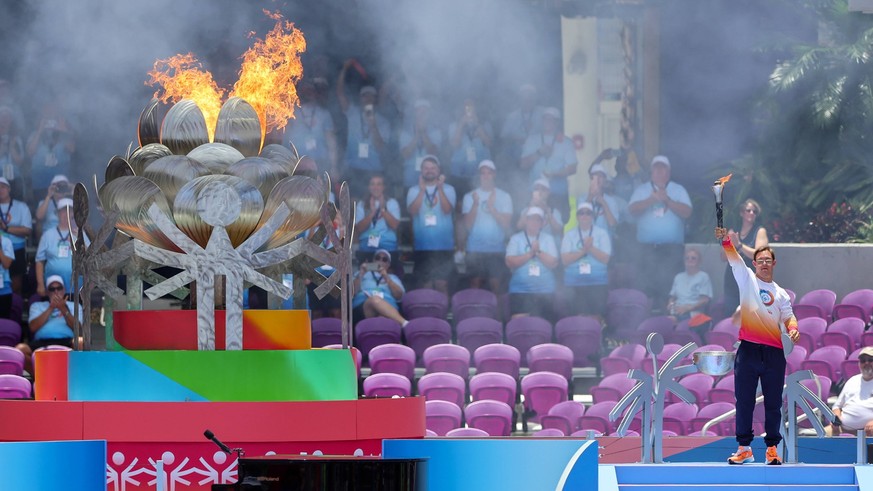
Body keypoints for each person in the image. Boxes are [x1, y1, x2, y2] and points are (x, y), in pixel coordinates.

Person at [716, 226, 799, 466]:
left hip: (773, 353)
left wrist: (793, 329)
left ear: (774, 264)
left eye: (768, 261)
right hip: (749, 350)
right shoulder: (747, 279)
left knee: (773, 403)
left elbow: (789, 316)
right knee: (744, 401)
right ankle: (744, 448)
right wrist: (726, 241)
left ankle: (772, 449)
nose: (764, 264)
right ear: (753, 264)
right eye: (760, 260)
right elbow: (733, 259)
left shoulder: (782, 294)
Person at [628, 156, 692, 309]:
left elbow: (687, 212)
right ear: (651, 172)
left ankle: (669, 322)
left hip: (671, 251)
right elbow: (632, 210)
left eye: (662, 168)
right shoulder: (642, 190)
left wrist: (667, 200)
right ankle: (645, 323)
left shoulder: (678, 189)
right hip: (646, 250)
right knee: (645, 288)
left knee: (670, 289)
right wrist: (651, 199)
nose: (659, 172)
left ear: (668, 172)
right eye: (656, 168)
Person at [337, 61, 391, 196]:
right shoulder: (353, 114)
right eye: (365, 96)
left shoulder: (383, 122)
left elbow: (380, 147)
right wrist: (344, 69)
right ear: (360, 99)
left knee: (371, 205)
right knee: (351, 206)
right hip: (353, 168)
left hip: (373, 171)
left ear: (375, 100)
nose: (367, 99)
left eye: (371, 96)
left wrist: (373, 125)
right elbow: (340, 94)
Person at [406, 155, 456, 294]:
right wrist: (422, 190)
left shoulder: (449, 189)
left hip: (444, 246)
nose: (429, 170)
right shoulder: (413, 190)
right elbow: (413, 211)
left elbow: (447, 210)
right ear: (421, 170)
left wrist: (440, 189)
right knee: (425, 284)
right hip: (423, 246)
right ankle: (426, 315)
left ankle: (442, 315)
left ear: (439, 170)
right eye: (426, 168)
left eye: (433, 168)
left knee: (442, 284)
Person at [462, 160, 513, 292]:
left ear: (494, 175)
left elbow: (506, 225)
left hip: (496, 250)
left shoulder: (505, 196)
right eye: (482, 173)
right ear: (479, 176)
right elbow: (467, 226)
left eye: (489, 173)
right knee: (475, 285)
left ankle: (497, 313)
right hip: (474, 249)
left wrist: (492, 208)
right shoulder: (469, 197)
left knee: (496, 287)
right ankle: (475, 313)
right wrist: (475, 204)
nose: (485, 176)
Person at [15, 275, 83, 373]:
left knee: (81, 342)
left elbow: (78, 328)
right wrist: (51, 308)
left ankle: (71, 375)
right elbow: (33, 327)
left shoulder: (74, 306)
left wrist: (63, 309)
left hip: (66, 340)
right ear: (47, 292)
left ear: (64, 290)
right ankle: (39, 374)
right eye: (52, 289)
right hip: (42, 341)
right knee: (20, 350)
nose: (56, 292)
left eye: (59, 288)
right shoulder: (37, 306)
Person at [520, 107, 577, 221]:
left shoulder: (566, 142)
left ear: (557, 122)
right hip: (535, 193)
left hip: (557, 193)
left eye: (551, 119)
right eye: (545, 119)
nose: (547, 122)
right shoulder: (532, 139)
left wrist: (554, 174)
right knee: (533, 223)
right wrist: (539, 153)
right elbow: (522, 165)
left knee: (559, 224)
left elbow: (572, 168)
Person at [505, 207, 559, 320]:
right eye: (531, 219)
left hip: (545, 290)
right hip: (520, 289)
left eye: (538, 220)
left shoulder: (548, 239)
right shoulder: (516, 238)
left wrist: (538, 252)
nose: (534, 222)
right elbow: (509, 262)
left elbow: (553, 263)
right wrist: (530, 254)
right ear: (526, 220)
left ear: (543, 223)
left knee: (544, 325)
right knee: (519, 323)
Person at [561, 202, 611, 320]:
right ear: (577, 216)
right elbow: (565, 260)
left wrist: (591, 248)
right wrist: (583, 251)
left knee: (595, 317)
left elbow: (605, 259)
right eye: (581, 213)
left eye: (588, 213)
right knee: (578, 318)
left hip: (597, 282)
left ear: (592, 216)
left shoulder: (602, 233)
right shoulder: (569, 235)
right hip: (574, 283)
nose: (584, 215)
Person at [282, 80, 338, 178]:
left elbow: (331, 141)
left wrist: (334, 166)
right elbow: (285, 139)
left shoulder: (324, 114)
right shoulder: (291, 113)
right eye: (304, 91)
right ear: (299, 94)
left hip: (320, 161)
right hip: (298, 162)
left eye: (310, 91)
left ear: (315, 93)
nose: (308, 93)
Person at [722, 199, 769, 318]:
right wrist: (729, 245)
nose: (752, 213)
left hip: (750, 282)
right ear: (742, 213)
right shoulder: (733, 231)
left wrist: (739, 245)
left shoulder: (759, 231)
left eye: (755, 211)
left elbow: (760, 256)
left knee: (750, 319)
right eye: (748, 210)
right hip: (732, 280)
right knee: (731, 317)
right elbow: (723, 257)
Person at [35, 198, 87, 297]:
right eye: (63, 211)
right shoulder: (47, 235)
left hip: (77, 288)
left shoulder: (80, 233)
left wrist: (81, 240)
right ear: (57, 214)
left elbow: (90, 257)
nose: (66, 214)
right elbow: (39, 261)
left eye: (70, 211)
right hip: (53, 289)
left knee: (75, 312)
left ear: (74, 214)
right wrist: (40, 284)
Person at [354, 174, 401, 270]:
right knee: (369, 272)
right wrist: (372, 213)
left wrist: (383, 209)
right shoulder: (362, 204)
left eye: (379, 184)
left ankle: (383, 275)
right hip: (367, 248)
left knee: (386, 272)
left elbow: (394, 225)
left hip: (388, 248)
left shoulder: (392, 203)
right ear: (369, 187)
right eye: (372, 184)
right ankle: (372, 271)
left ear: (383, 187)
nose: (376, 187)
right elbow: (359, 228)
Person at [447, 98, 493, 198]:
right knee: (460, 205)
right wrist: (461, 124)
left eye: (471, 107)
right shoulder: (454, 126)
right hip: (459, 173)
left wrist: (477, 125)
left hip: (480, 174)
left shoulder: (484, 125)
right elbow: (454, 145)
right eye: (466, 107)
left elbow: (489, 143)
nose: (468, 110)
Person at [352, 249, 407, 326]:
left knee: (382, 320)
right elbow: (351, 293)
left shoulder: (393, 277)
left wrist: (386, 277)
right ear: (373, 260)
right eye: (378, 258)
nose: (380, 261)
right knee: (374, 300)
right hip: (362, 306)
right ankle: (405, 324)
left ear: (388, 265)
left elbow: (399, 296)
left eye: (384, 259)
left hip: (388, 306)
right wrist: (361, 273)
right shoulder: (360, 274)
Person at [398, 99, 442, 189]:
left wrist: (424, 133)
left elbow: (433, 153)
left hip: (430, 177)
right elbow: (405, 155)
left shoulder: (435, 131)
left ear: (429, 114)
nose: (422, 114)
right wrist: (417, 135)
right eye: (419, 111)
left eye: (424, 111)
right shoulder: (406, 131)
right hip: (410, 176)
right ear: (415, 113)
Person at [830, 346, 873, 436]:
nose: (867, 363)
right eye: (863, 361)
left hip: (868, 432)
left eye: (870, 360)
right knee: (820, 437)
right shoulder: (852, 380)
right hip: (842, 429)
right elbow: (837, 406)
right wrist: (836, 417)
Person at [0, 177, 32, 294]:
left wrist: (6, 228)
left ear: (9, 189)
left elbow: (27, 230)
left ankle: (14, 307)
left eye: (3, 187)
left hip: (16, 249)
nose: (0, 190)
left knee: (16, 285)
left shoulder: (21, 206)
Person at [667, 247, 713, 322]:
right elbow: (673, 297)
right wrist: (671, 304)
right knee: (663, 322)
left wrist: (687, 308)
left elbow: (705, 300)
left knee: (673, 322)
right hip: (677, 311)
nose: (690, 260)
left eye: (693, 258)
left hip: (693, 313)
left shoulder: (703, 277)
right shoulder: (678, 277)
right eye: (687, 258)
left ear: (699, 261)